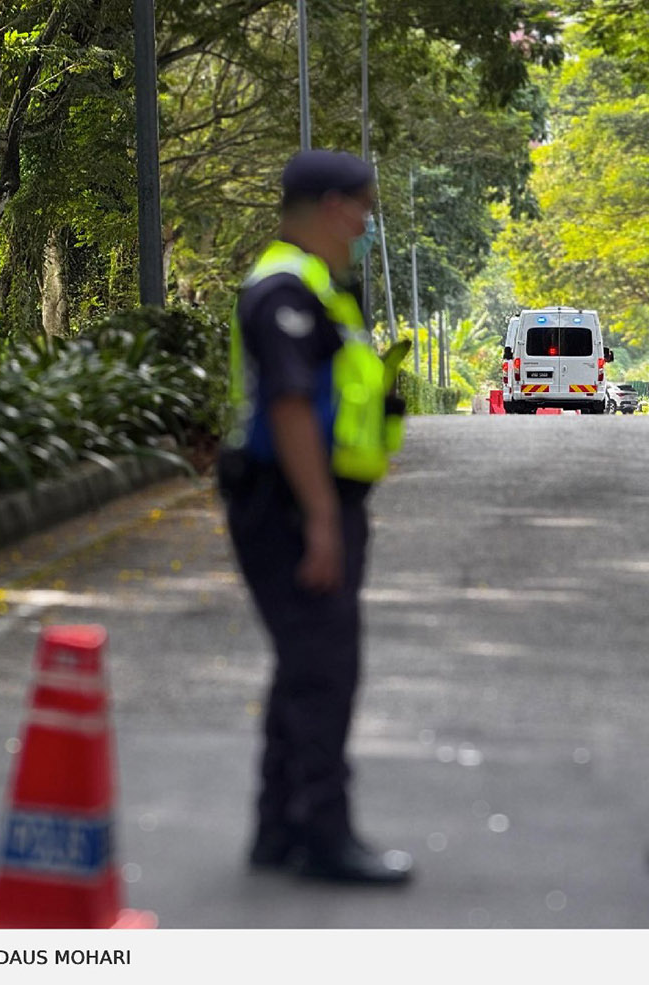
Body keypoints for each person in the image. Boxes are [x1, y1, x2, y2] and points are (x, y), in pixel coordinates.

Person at [218, 149, 411, 885]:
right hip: (290, 505)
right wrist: (323, 518)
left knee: (304, 665)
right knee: (325, 670)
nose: (364, 226)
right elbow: (290, 407)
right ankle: (325, 836)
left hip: (305, 500)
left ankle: (278, 829)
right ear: (331, 206)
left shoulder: (317, 287)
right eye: (362, 211)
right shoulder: (285, 289)